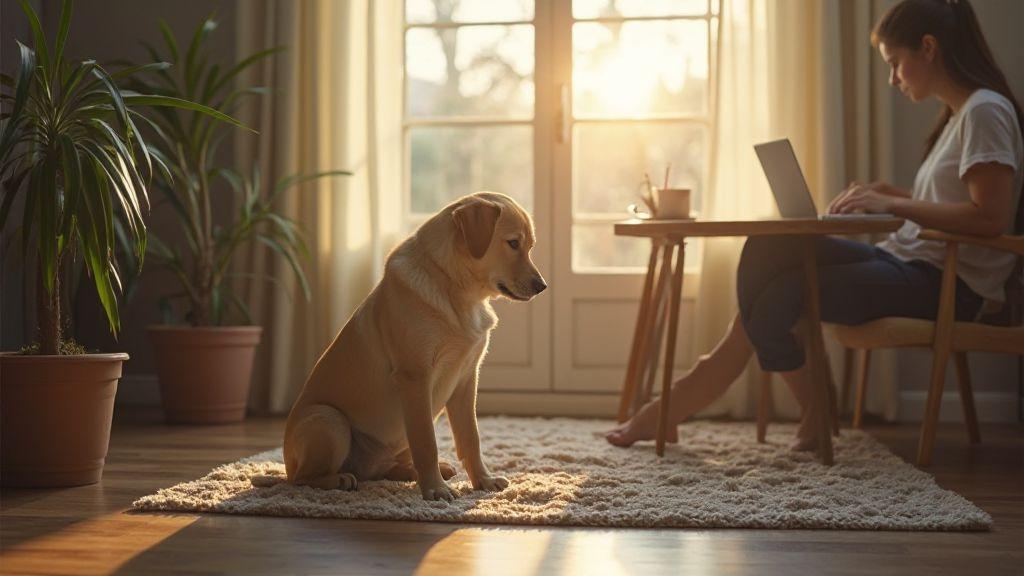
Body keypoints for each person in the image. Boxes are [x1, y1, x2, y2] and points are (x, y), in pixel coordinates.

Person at [606, 0, 1023, 451]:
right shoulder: (963, 115)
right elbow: (960, 203)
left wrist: (894, 205)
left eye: (895, 64)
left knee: (783, 293)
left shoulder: (985, 111)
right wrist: (895, 196)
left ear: (928, 48)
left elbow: (990, 217)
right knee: (769, 247)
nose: (893, 78)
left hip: (948, 284)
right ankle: (699, 404)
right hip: (911, 262)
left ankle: (737, 403)